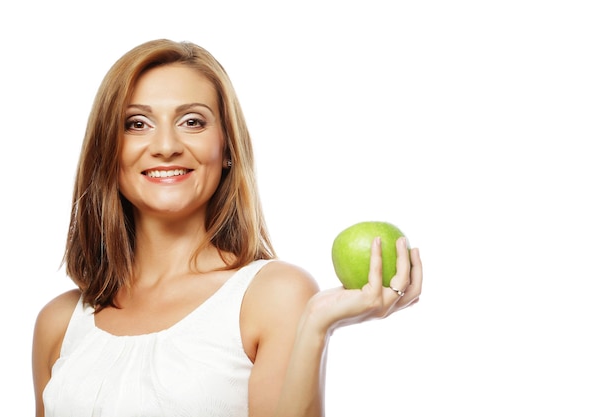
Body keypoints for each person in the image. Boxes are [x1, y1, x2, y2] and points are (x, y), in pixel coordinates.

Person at [31, 39, 423, 417]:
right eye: (137, 123)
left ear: (227, 151)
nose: (166, 145)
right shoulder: (59, 323)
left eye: (192, 121)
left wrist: (315, 327)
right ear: (107, 151)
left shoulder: (274, 296)